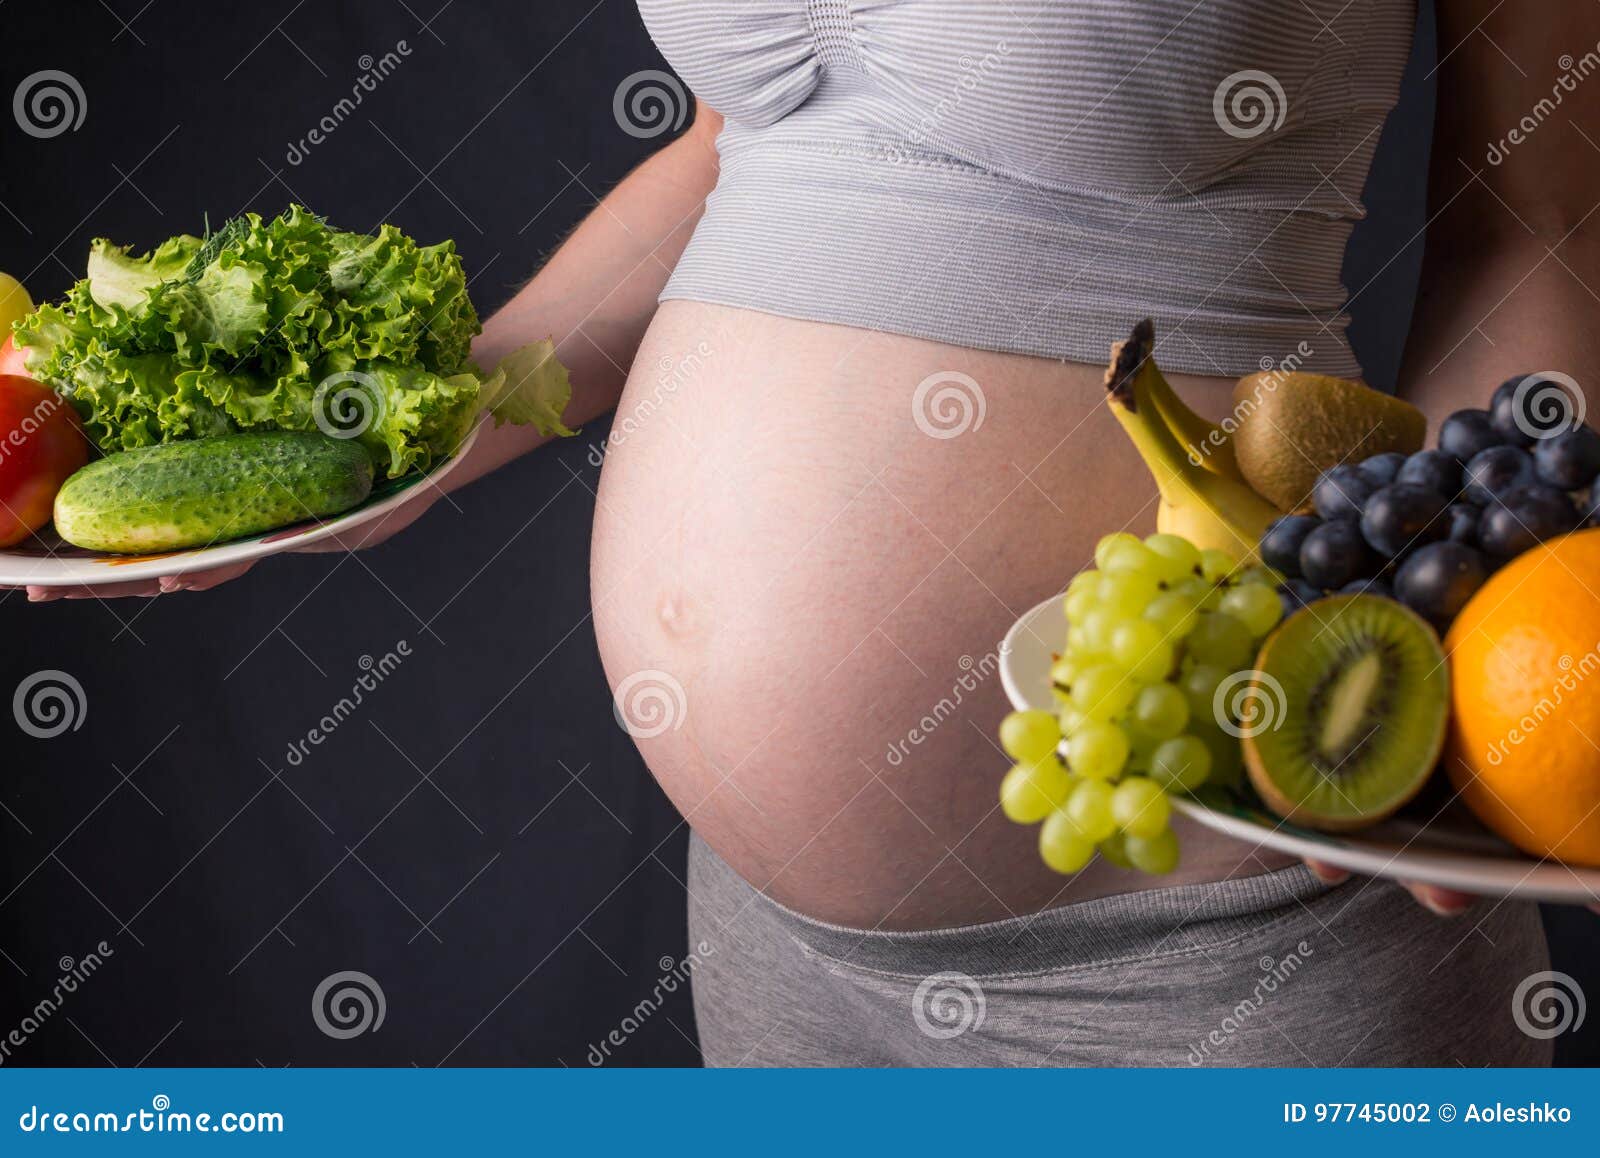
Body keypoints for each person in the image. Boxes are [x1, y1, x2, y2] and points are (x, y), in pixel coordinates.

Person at [33, 1, 1587, 1064]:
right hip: (785, 957)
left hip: (1237, 933)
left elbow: (1538, 213)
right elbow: (747, 151)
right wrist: (398, 439)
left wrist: (1495, 670)